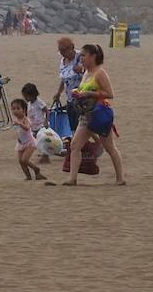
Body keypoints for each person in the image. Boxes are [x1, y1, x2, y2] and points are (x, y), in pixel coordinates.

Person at [65, 43, 125, 186]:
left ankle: (120, 178)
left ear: (93, 56)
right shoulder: (86, 72)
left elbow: (109, 94)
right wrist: (77, 93)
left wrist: (89, 93)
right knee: (75, 145)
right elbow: (83, 90)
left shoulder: (100, 73)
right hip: (86, 114)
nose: (81, 58)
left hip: (99, 114)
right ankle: (72, 179)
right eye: (81, 56)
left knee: (109, 147)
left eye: (84, 55)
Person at [50, 37, 84, 133]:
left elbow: (91, 72)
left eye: (64, 50)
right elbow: (64, 79)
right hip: (70, 98)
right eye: (60, 51)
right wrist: (58, 93)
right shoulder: (63, 61)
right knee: (73, 126)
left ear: (71, 47)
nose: (62, 53)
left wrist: (82, 70)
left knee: (83, 126)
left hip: (82, 98)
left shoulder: (81, 57)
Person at [10, 98, 46, 181]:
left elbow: (27, 128)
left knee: (25, 159)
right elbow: (18, 131)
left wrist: (20, 124)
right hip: (21, 143)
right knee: (21, 161)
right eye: (13, 109)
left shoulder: (25, 119)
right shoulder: (16, 120)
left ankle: (36, 169)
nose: (15, 111)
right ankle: (28, 176)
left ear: (23, 110)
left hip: (30, 143)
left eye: (18, 108)